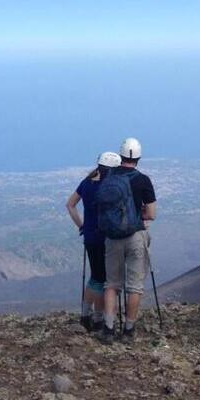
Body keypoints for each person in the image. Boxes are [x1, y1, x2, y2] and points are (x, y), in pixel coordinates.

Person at [99, 137, 156, 344]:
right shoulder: (143, 180)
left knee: (112, 284)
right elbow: (151, 214)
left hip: (112, 237)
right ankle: (129, 330)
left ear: (120, 155)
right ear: (139, 157)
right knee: (134, 286)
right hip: (135, 236)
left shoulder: (108, 177)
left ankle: (108, 328)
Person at [66, 151, 122, 331]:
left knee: (94, 277)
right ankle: (97, 319)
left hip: (90, 236)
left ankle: (85, 314)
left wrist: (81, 225)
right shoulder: (109, 188)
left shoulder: (86, 183)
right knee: (102, 279)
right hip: (104, 238)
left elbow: (70, 204)